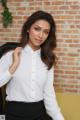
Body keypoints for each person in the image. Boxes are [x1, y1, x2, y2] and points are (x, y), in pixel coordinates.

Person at [0, 10, 64, 120]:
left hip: (39, 114)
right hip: (12, 114)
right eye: (37, 29)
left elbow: (49, 94)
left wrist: (59, 118)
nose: (40, 35)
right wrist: (13, 67)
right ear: (28, 29)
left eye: (46, 32)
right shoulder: (11, 55)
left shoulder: (47, 59)